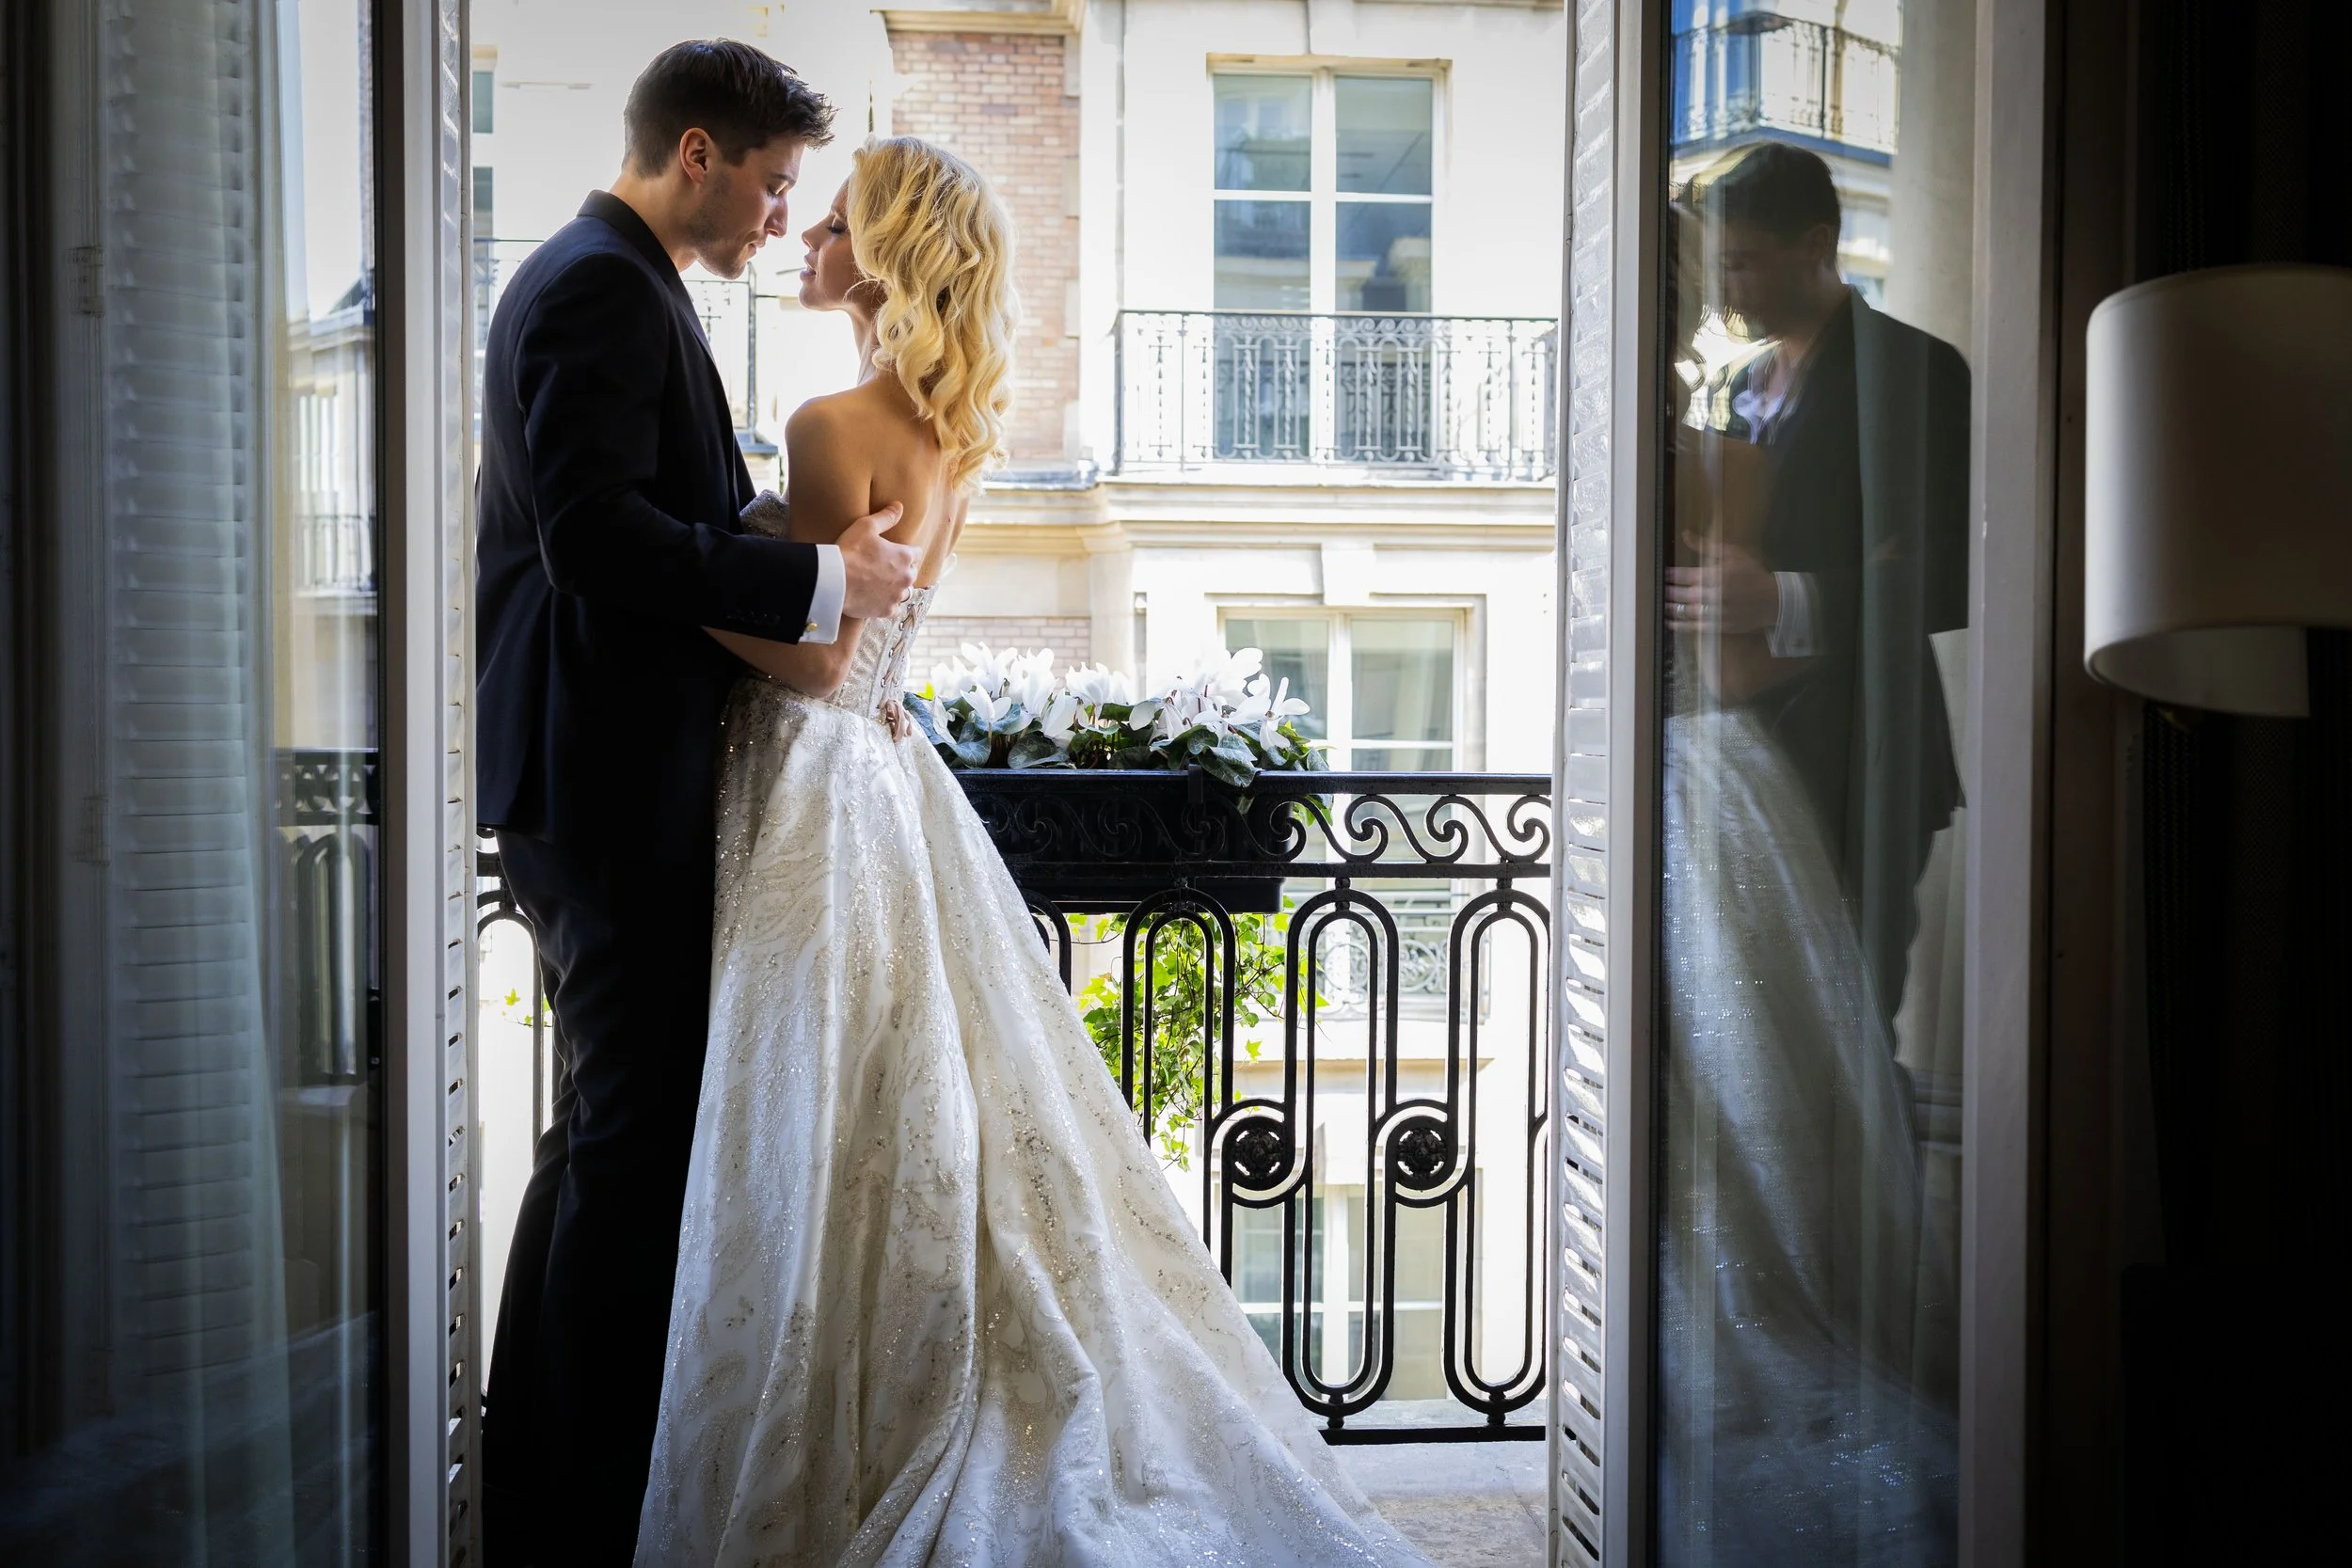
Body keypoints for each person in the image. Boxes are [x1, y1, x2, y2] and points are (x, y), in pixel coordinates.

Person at [630, 136, 1428, 1566]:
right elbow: (874, 651)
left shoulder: (827, 424)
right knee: (889, 1109)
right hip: (888, 778)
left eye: (838, 216)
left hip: (819, 779)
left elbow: (816, 665)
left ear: (882, 254)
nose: (808, 231)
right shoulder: (952, 433)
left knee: (817, 1125)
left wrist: (674, 598)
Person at [472, 41, 923, 1565]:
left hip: (601, 777)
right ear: (695, 152)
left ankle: (540, 1478)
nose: (780, 217)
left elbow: (652, 511)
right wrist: (823, 577)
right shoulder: (600, 285)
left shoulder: (621, 280)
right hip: (603, 785)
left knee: (605, 1136)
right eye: (775, 183)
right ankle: (583, 1508)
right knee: (636, 1150)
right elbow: (600, 534)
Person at [1652, 144, 1964, 1563]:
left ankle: (1874, 1328)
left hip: (1865, 764)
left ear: (1819, 243)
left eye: (1749, 263)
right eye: (1716, 267)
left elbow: (1951, 572)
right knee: (1755, 1067)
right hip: (1760, 772)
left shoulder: (1918, 375)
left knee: (1846, 1060)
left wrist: (1788, 597)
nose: (1729, 291)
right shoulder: (1738, 393)